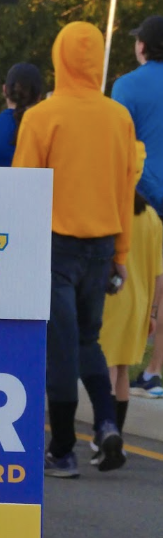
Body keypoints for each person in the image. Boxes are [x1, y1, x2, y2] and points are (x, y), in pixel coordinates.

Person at [13, 21, 137, 477]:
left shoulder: (43, 116)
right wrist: (120, 255)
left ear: (58, 56)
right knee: (88, 340)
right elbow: (127, 188)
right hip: (102, 245)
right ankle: (106, 423)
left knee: (60, 348)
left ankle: (62, 448)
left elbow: (25, 188)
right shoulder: (118, 116)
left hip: (55, 245)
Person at [98, 144, 163, 452]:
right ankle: (116, 437)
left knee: (107, 368)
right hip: (139, 304)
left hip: (111, 299)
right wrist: (152, 311)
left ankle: (104, 436)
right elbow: (159, 274)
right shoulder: (152, 217)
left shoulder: (108, 209)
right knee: (123, 370)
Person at [111, 15, 163, 397]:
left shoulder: (127, 85)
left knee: (135, 286)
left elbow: (118, 143)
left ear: (142, 46)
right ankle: (156, 369)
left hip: (140, 198)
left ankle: (123, 370)